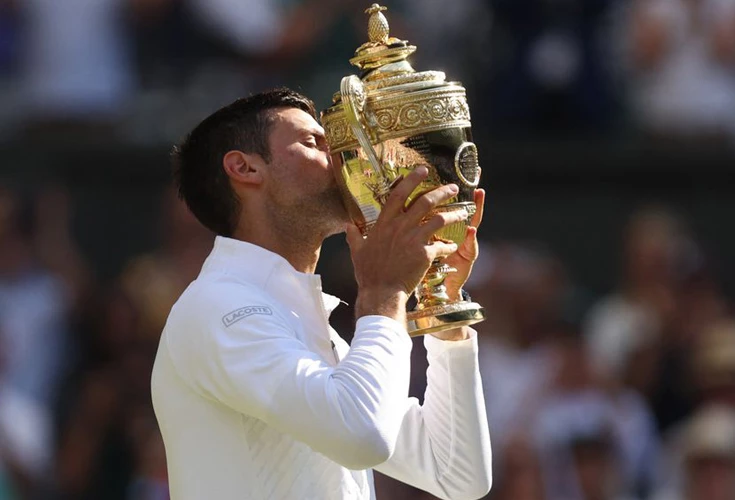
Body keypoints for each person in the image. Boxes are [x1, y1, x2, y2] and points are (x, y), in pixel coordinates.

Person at [150, 88, 492, 500]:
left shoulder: (301, 324)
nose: (344, 158)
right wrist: (384, 293)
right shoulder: (217, 308)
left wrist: (443, 304)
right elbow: (363, 436)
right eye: (314, 142)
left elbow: (457, 473)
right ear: (244, 168)